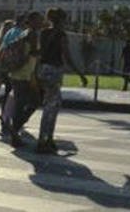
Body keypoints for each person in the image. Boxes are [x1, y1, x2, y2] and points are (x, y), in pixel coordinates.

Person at [36, 8, 88, 153]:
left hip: (44, 70)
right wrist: (80, 74)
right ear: (62, 20)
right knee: (51, 108)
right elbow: (67, 57)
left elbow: (40, 53)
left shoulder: (44, 33)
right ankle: (44, 140)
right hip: (54, 71)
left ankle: (48, 139)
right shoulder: (61, 35)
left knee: (50, 105)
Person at [7, 11, 44, 148]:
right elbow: (34, 52)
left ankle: (15, 132)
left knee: (22, 103)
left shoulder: (25, 33)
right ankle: (15, 128)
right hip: (23, 74)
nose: (42, 22)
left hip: (21, 73)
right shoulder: (32, 34)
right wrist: (43, 51)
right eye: (39, 20)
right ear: (32, 21)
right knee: (32, 102)